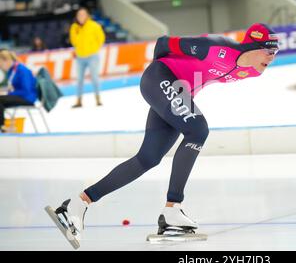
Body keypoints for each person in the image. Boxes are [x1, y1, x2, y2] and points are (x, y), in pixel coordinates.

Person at [47, 23, 280, 246]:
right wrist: (160, 77)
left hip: (176, 93)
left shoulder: (251, 72)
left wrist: (179, 93)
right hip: (160, 78)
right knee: (198, 129)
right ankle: (173, 206)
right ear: (253, 45)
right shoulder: (216, 47)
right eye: (269, 51)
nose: (272, 57)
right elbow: (163, 43)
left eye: (276, 52)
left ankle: (78, 204)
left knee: (148, 158)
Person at [70, 7, 105, 108]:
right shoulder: (74, 27)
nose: (81, 16)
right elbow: (73, 41)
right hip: (80, 57)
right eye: (79, 15)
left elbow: (101, 38)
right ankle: (79, 101)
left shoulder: (94, 26)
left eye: (83, 14)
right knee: (79, 79)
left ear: (87, 15)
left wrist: (94, 48)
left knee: (94, 77)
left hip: (92, 56)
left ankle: (98, 99)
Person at [0, 49, 37, 133]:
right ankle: (3, 126)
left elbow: (26, 90)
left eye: (1, 64)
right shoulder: (12, 70)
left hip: (28, 98)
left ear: (6, 60)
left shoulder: (22, 70)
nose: (1, 67)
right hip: (20, 96)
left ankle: (3, 126)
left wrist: (8, 94)